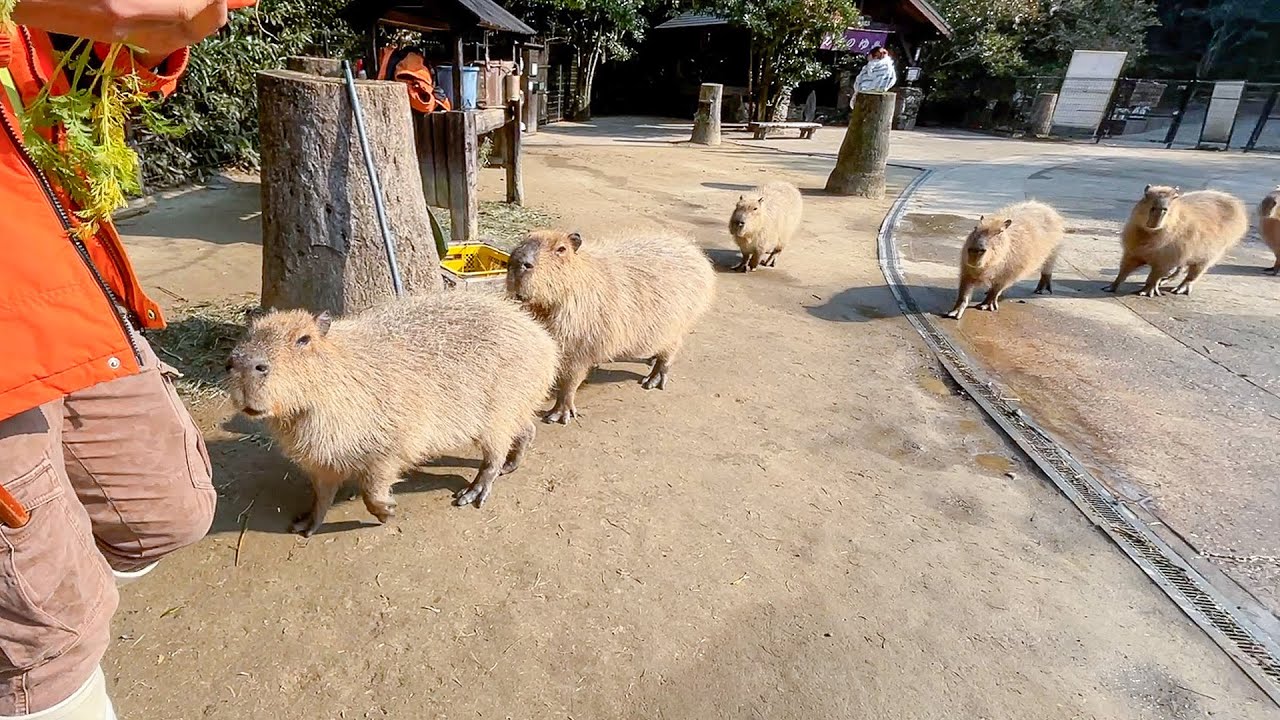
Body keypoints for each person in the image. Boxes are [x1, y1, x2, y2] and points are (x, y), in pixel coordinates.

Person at [0, 2, 233, 717]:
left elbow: (110, 61)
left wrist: (150, 45)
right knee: (49, 633)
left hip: (57, 257)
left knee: (169, 510)